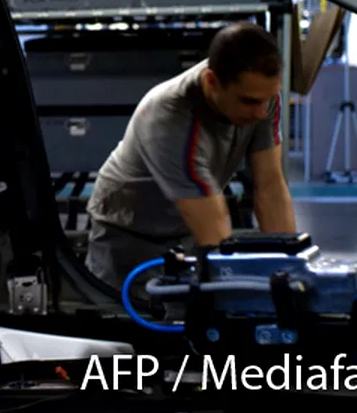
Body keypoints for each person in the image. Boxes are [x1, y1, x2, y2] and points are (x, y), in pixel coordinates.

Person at [84, 22, 296, 304]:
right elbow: (213, 225)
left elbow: (270, 188)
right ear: (211, 82)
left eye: (267, 100)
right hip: (128, 232)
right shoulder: (169, 116)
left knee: (187, 320)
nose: (260, 112)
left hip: (182, 229)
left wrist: (291, 273)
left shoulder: (262, 97)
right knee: (122, 328)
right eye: (248, 101)